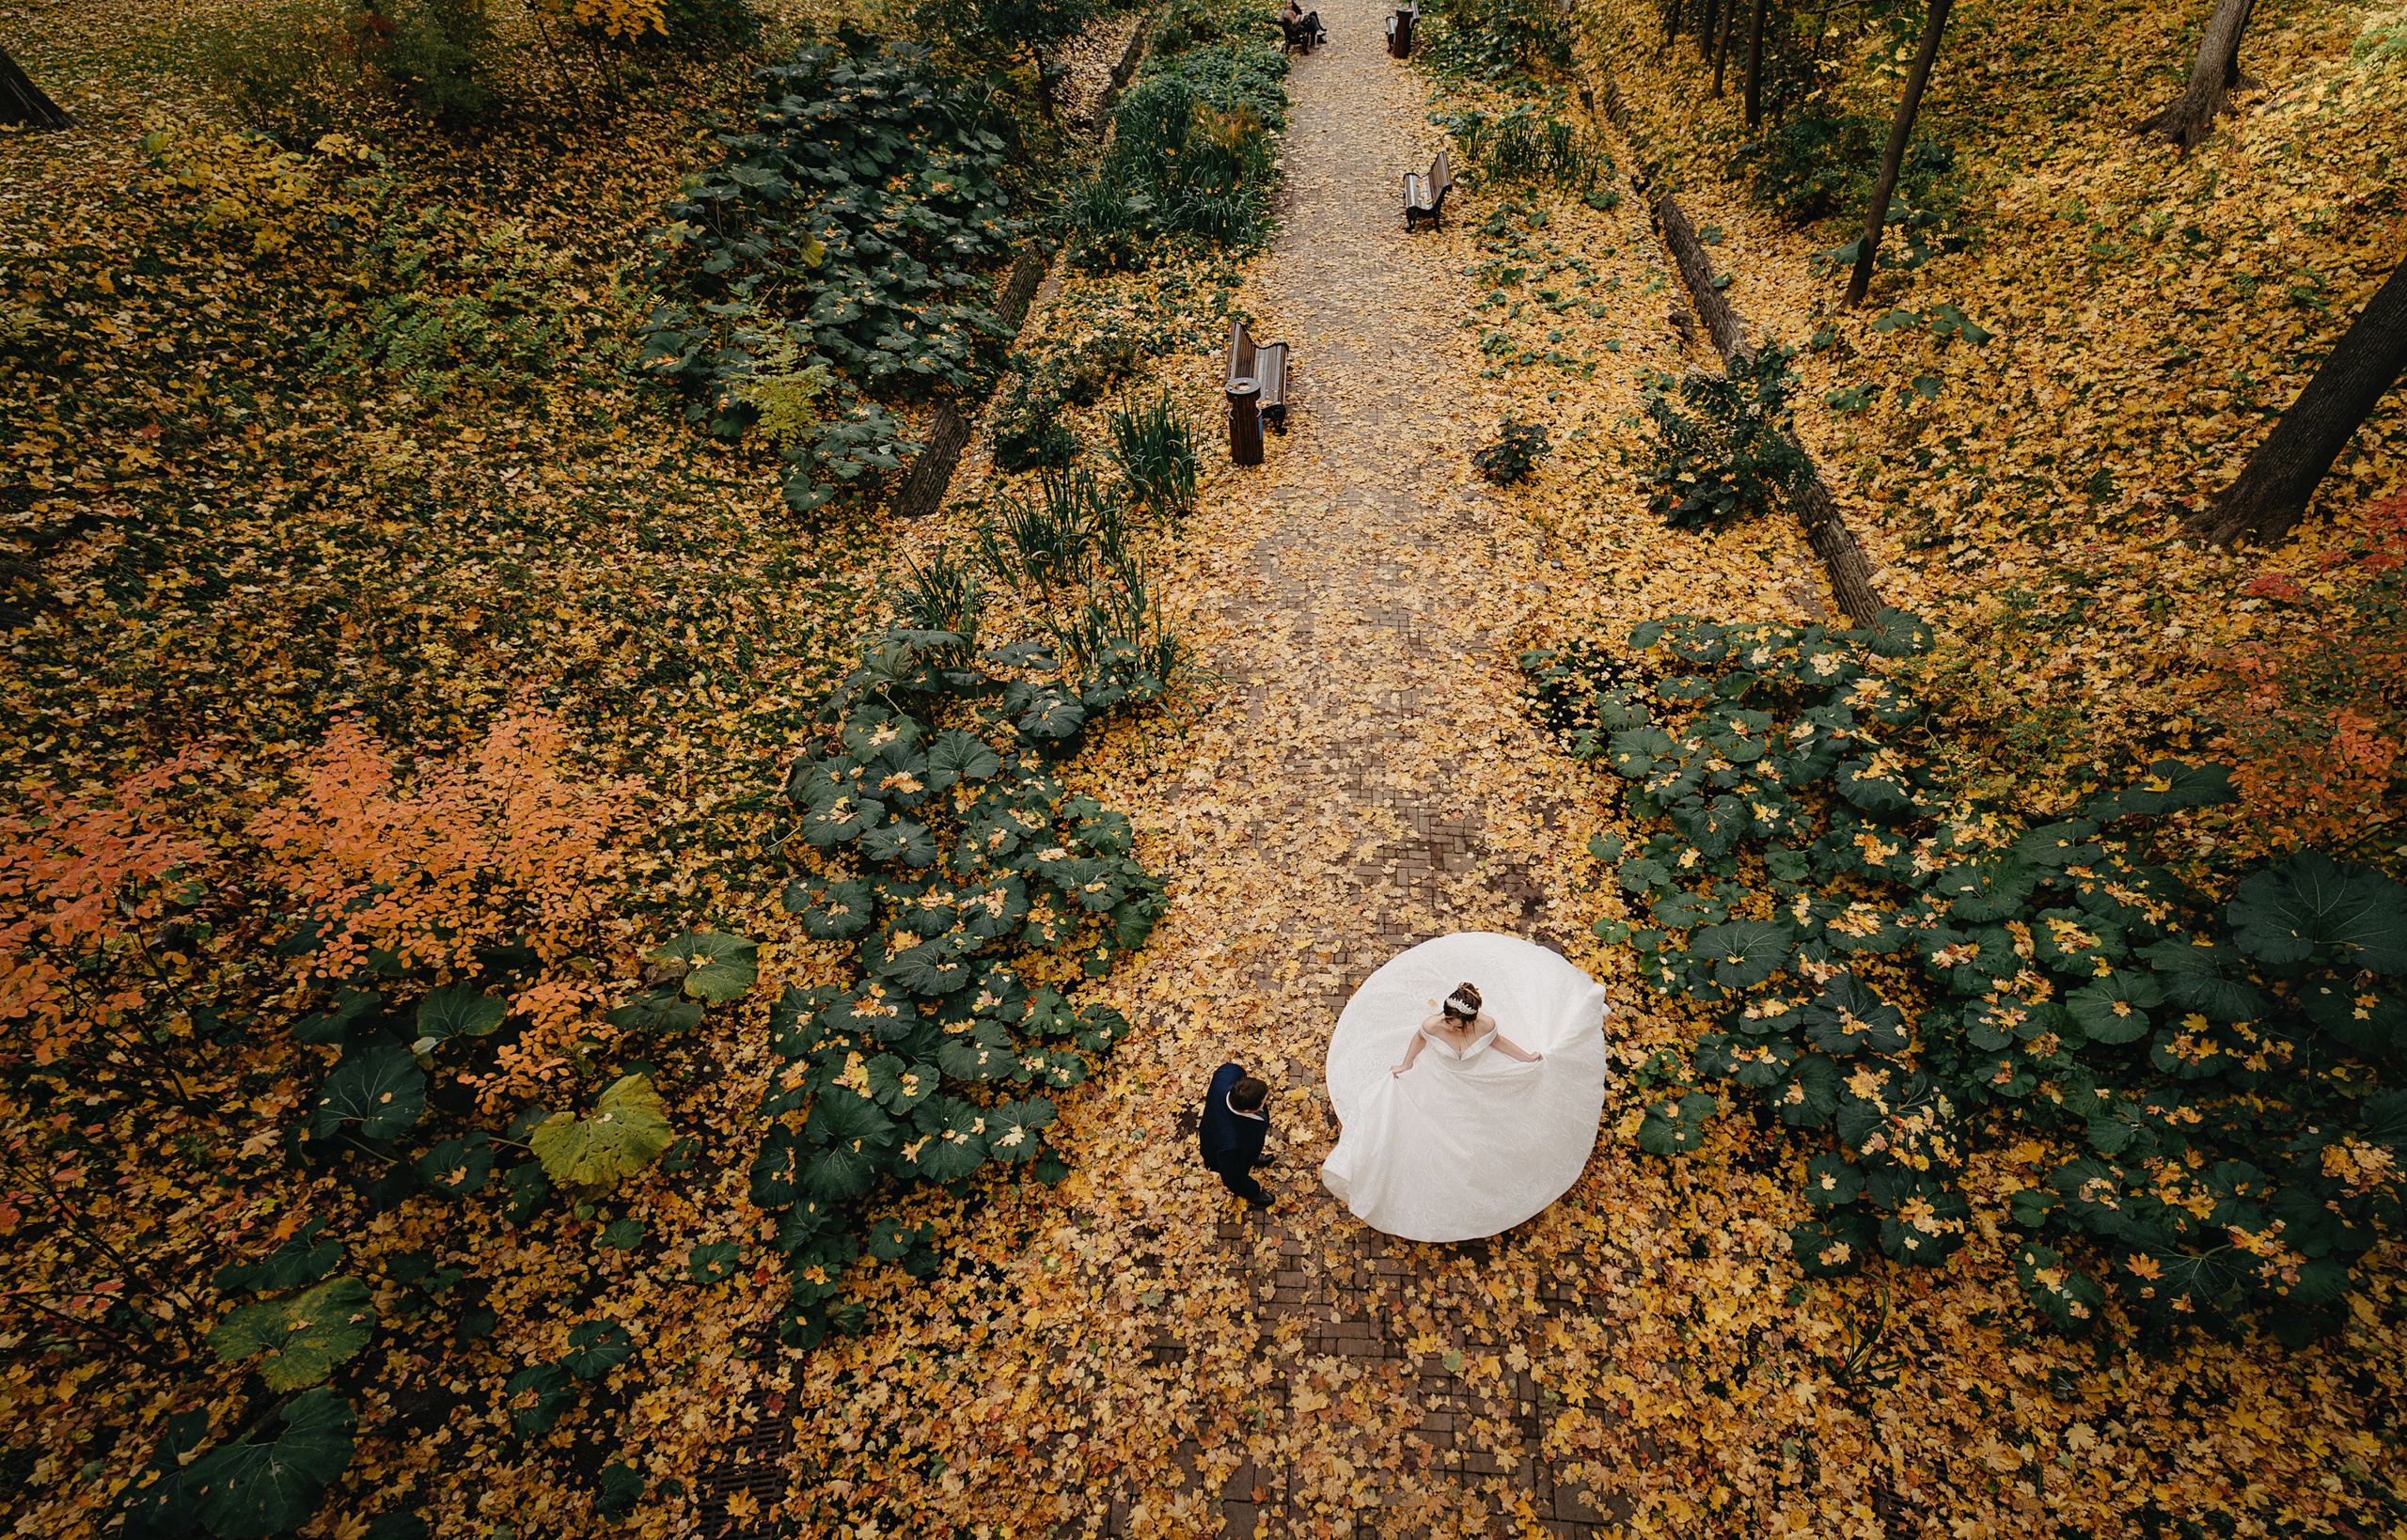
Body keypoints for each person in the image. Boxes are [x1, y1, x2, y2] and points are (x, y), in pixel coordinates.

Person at [1319, 933, 1612, 1243]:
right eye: (1448, 1022)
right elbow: (1418, 1041)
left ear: (1471, 1021)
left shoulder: (1487, 1025)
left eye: (1457, 1025)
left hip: (1479, 1080)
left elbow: (1499, 1043)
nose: (1450, 1028)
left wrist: (1526, 1058)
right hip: (1437, 1080)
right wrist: (1406, 1066)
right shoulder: (1432, 1025)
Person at [1198, 1062, 1277, 1209]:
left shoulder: (1228, 1072)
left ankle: (1252, 1157)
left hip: (1238, 1140)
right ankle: (1253, 1193)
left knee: (1248, 1152)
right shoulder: (1231, 1145)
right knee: (1238, 1169)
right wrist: (1253, 1191)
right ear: (1247, 1111)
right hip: (1227, 1147)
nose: (1266, 1100)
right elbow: (1233, 1179)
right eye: (1264, 1100)